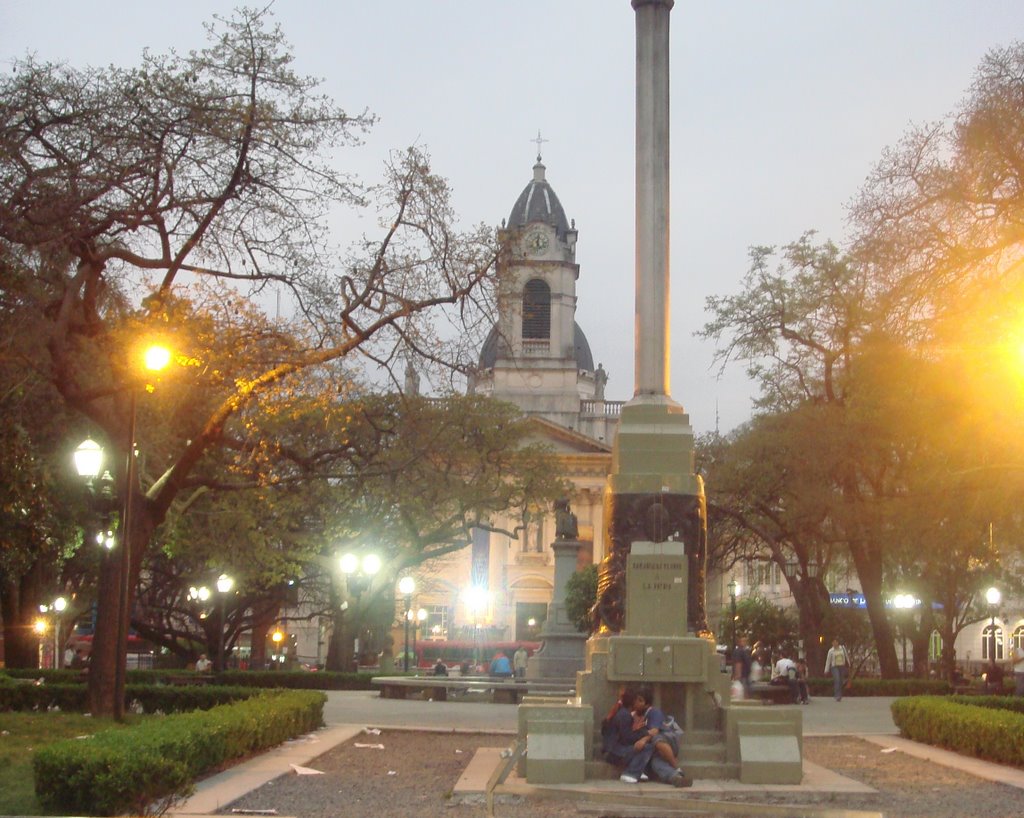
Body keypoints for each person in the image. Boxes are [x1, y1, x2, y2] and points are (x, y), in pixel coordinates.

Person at [631, 685, 692, 787]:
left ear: (647, 704)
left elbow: (654, 731)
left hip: (668, 739)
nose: (636, 703)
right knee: (656, 763)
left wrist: (643, 741)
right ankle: (676, 777)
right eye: (635, 700)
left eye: (640, 701)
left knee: (656, 739)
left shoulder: (654, 712)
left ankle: (676, 767)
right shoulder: (636, 716)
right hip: (656, 750)